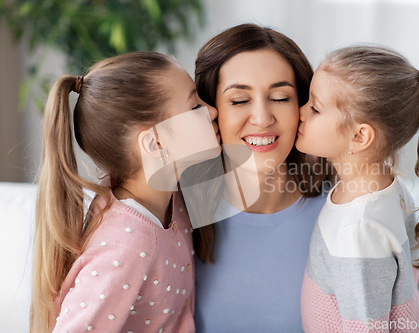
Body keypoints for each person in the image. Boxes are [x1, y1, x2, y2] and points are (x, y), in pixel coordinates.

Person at [31, 52, 219, 333]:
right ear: (155, 143)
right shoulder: (126, 245)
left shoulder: (167, 194)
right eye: (195, 107)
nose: (213, 110)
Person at [296, 45, 419, 332]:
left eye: (314, 107)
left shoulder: (358, 229)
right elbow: (416, 270)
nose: (299, 112)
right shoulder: (391, 187)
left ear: (360, 136)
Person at [192, 23, 331, 332]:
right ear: (210, 110)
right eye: (239, 100)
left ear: (304, 107)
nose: (262, 118)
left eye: (281, 98)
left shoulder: (347, 207)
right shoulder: (174, 212)